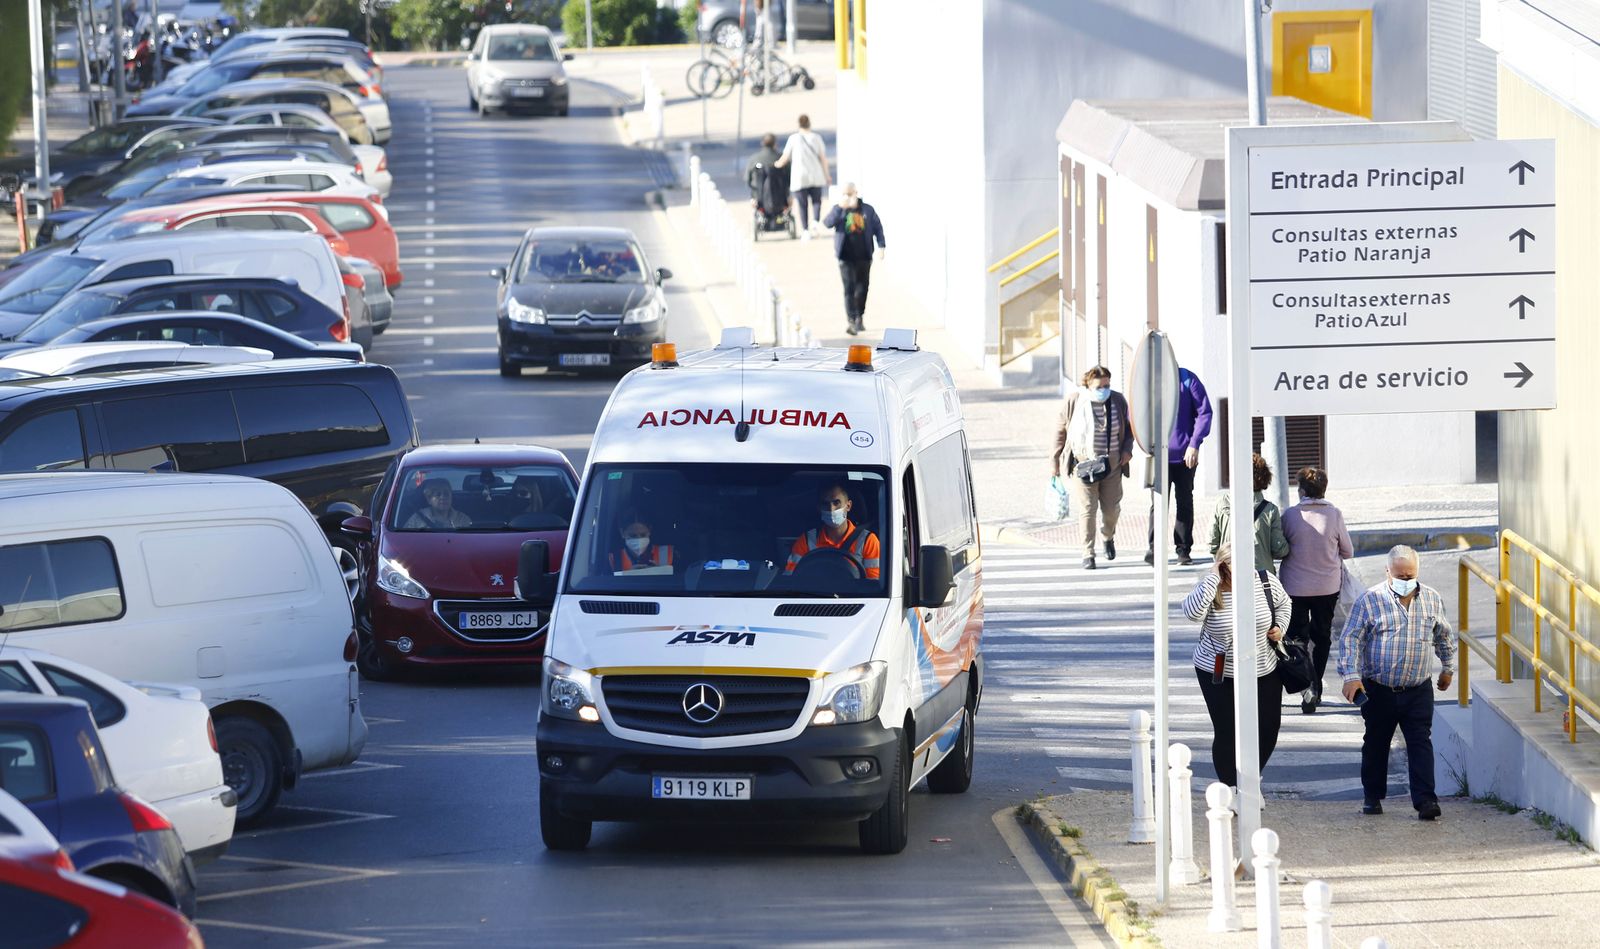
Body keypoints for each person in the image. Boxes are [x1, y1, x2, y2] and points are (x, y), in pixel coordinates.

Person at [1338, 545, 1455, 821]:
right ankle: (1372, 796)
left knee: (1420, 742)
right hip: (1379, 688)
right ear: (1387, 572)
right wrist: (1351, 676)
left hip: (1418, 689)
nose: (1405, 581)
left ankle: (1426, 800)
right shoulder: (1370, 600)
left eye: (1410, 575)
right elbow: (1350, 639)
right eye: (1400, 576)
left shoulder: (1432, 599)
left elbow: (1443, 636)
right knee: (1376, 743)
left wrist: (1447, 668)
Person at [1184, 544, 1291, 790]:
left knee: (1268, 727)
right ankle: (1231, 788)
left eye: (1247, 561)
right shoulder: (1212, 587)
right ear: (1223, 565)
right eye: (1235, 563)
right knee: (1227, 731)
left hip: (1263, 666)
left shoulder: (1264, 581)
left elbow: (1285, 604)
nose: (1244, 569)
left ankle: (1249, 783)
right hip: (1218, 669)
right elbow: (1192, 613)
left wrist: (1280, 627)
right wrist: (1213, 577)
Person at [1279, 467, 1354, 714]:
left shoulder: (1290, 516)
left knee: (1297, 638)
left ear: (1302, 491)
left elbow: (1281, 548)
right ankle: (1316, 687)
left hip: (1295, 587)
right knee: (1321, 637)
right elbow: (1348, 551)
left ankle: (1308, 686)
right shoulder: (1334, 515)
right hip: (1327, 587)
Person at [1050, 366, 1133, 570]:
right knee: (1088, 509)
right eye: (1099, 386)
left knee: (1111, 509)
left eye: (1107, 385)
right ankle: (1088, 552)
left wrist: (1127, 450)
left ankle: (1108, 536)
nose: (1104, 390)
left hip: (1112, 465)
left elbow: (1130, 429)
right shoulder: (1075, 401)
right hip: (1083, 465)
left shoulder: (1118, 400)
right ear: (1088, 385)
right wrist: (1054, 461)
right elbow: (1060, 431)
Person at [1145, 367, 1212, 566]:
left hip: (1185, 457)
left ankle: (1183, 549)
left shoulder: (1187, 379)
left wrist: (1194, 444)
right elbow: (1136, 412)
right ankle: (1154, 549)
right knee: (1158, 504)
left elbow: (1204, 412)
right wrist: (1143, 443)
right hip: (1158, 457)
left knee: (1184, 502)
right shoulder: (1149, 381)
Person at [1209, 453, 1290, 573]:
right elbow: (1279, 549)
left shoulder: (1221, 504)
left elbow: (1212, 543)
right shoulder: (1270, 510)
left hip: (1229, 574)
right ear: (1264, 477)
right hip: (1262, 575)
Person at [821, 184, 885, 336]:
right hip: (845, 257)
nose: (848, 197)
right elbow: (827, 223)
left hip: (864, 256)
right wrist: (840, 208)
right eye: (844, 194)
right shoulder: (839, 210)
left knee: (862, 289)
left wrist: (881, 246)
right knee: (849, 289)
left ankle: (859, 317)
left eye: (850, 194)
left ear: (856, 193)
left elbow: (878, 227)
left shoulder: (867, 210)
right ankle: (851, 319)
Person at [786, 483, 881, 580]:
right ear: (819, 508)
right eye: (825, 504)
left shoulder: (868, 541)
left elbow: (873, 583)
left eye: (836, 503)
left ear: (848, 506)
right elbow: (791, 580)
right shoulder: (806, 541)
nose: (831, 509)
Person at [775, 114, 831, 235]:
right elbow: (823, 158)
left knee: (802, 204)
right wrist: (827, 175)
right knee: (816, 201)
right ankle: (815, 222)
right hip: (816, 175)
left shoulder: (793, 138)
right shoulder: (816, 137)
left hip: (800, 177)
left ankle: (805, 230)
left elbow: (785, 158)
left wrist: (776, 165)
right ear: (809, 123)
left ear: (799, 124)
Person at [609, 515, 673, 571]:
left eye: (643, 535)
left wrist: (659, 572)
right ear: (622, 533)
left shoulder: (668, 553)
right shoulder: (614, 558)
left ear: (649, 531)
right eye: (633, 536)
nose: (639, 539)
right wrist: (630, 575)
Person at [404, 478, 471, 530]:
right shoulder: (417, 518)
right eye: (438, 494)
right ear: (429, 499)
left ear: (451, 497)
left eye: (446, 494)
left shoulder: (462, 519)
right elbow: (405, 538)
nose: (442, 497)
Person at [746, 132, 782, 202]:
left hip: (759, 196)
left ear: (762, 143)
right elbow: (789, 178)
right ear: (775, 144)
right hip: (780, 197)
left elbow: (748, 179)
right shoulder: (781, 159)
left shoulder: (754, 159)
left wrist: (754, 195)